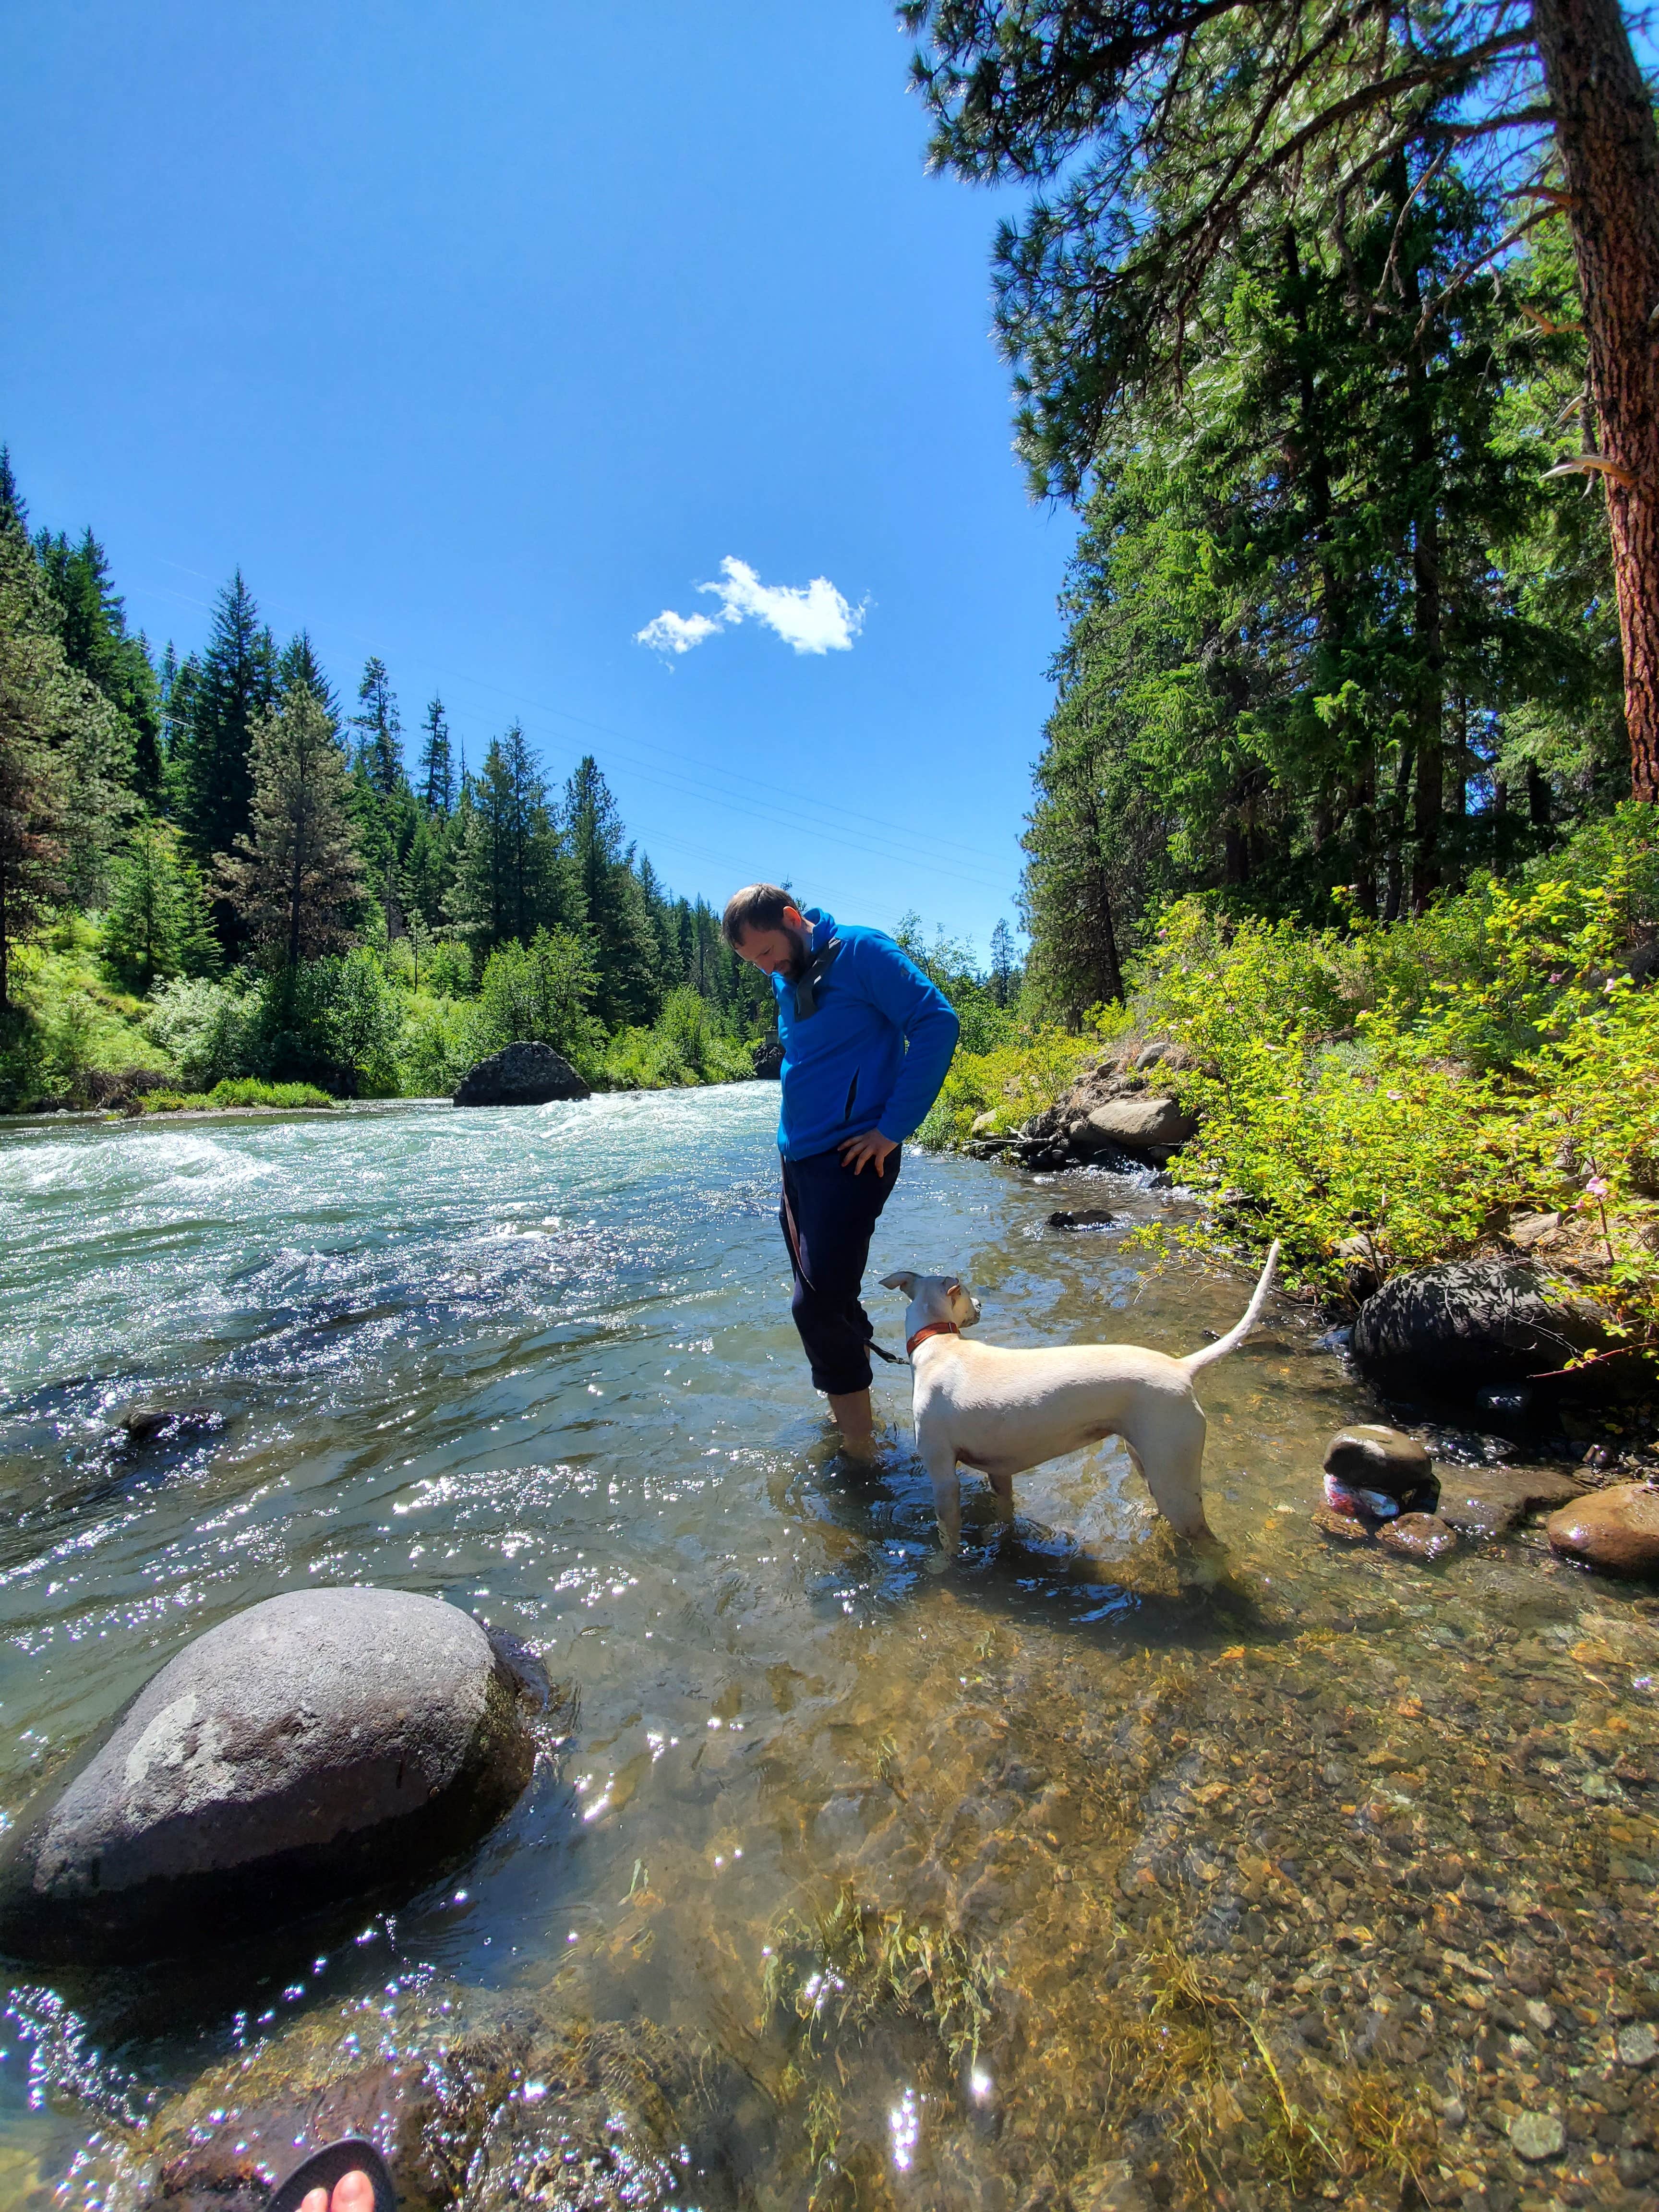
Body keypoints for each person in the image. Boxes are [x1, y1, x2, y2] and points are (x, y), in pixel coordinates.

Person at [723, 885, 959, 1456]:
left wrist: (892, 1128)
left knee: (818, 1305)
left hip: (856, 1156)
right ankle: (855, 1415)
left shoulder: (862, 952)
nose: (764, 968)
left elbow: (936, 1023)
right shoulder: (789, 976)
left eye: (765, 953)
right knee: (824, 1295)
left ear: (790, 918)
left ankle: (861, 1446)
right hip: (800, 1162)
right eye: (753, 961)